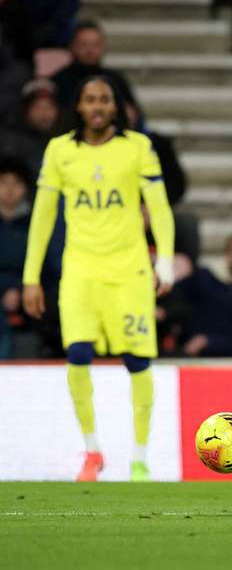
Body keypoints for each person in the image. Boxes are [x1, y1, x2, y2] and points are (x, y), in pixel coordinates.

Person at [21, 76, 175, 482]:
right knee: (78, 354)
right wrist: (30, 276)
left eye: (105, 99)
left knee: (138, 360)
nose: (97, 106)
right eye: (90, 99)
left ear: (115, 105)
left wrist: (167, 260)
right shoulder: (60, 150)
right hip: (81, 270)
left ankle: (140, 458)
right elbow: (42, 216)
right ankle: (92, 452)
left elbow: (158, 207)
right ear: (79, 106)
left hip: (129, 270)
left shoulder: (138, 147)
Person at [51, 19, 136, 112]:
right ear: (72, 46)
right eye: (83, 45)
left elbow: (134, 113)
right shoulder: (59, 81)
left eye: (95, 45)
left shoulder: (116, 80)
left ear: (103, 47)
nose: (90, 50)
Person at [0, 157, 31, 358]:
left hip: (30, 294)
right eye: (3, 183)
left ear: (25, 189)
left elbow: (48, 266)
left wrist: (21, 289)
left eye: (16, 183)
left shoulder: (37, 222)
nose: (9, 190)